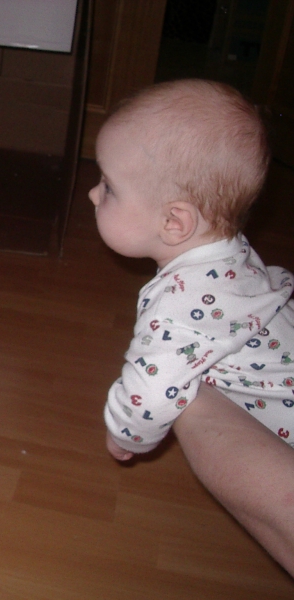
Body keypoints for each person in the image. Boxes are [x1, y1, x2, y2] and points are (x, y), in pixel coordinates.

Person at [90, 78, 294, 574]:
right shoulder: (228, 248)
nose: (94, 193)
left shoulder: (179, 305)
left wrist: (125, 434)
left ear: (175, 223)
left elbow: (151, 394)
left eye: (109, 187)